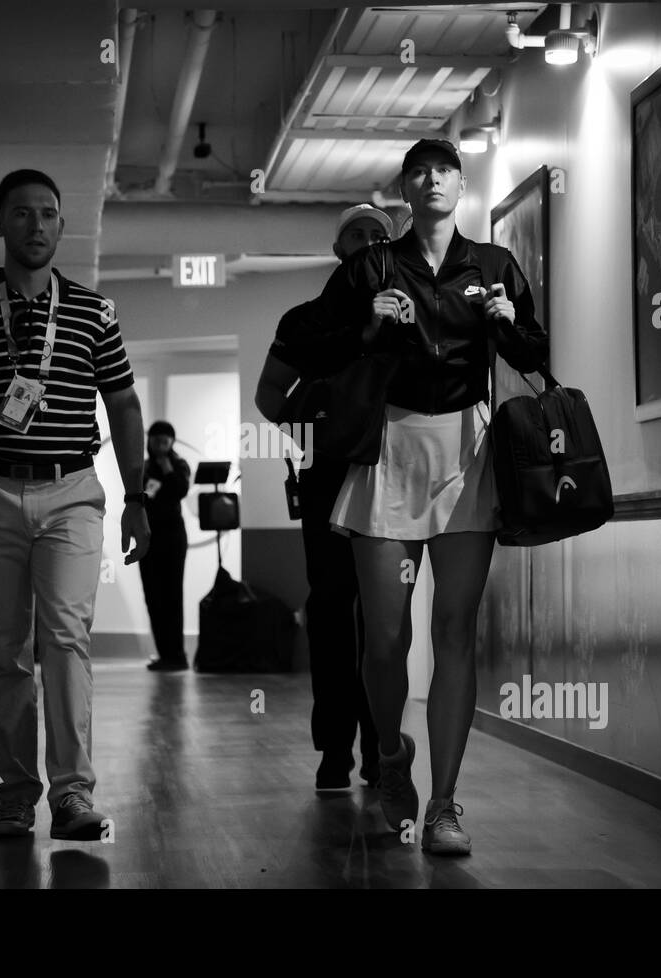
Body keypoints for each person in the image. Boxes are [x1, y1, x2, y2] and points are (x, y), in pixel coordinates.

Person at [316, 139, 548, 855]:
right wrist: (367, 326)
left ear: (459, 182)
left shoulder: (495, 263)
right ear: (405, 190)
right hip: (388, 446)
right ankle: (390, 756)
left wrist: (509, 323)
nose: (432, 179)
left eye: (443, 169)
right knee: (385, 639)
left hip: (467, 452)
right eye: (418, 171)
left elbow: (536, 356)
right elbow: (316, 350)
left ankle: (445, 804)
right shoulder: (371, 266)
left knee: (455, 631)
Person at [0, 168, 151, 840]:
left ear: (61, 226)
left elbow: (124, 403)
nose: (36, 226)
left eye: (48, 214)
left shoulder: (94, 312)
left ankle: (72, 796)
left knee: (67, 640)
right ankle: (16, 795)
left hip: (74, 490)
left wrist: (137, 496)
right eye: (21, 214)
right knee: (7, 650)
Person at [254, 204, 392, 793]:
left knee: (383, 619)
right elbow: (267, 397)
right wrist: (316, 432)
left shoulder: (409, 313)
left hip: (392, 481)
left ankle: (384, 748)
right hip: (325, 480)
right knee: (334, 611)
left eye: (377, 235)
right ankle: (335, 748)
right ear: (337, 249)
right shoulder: (304, 321)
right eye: (355, 235)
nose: (365, 243)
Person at [139, 420, 192, 671]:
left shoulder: (179, 465)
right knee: (153, 597)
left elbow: (179, 490)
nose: (159, 444)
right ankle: (164, 654)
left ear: (172, 442)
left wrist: (166, 465)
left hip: (172, 539)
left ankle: (177, 655)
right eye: (155, 439)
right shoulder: (144, 468)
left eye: (165, 440)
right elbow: (140, 497)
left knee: (172, 596)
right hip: (149, 539)